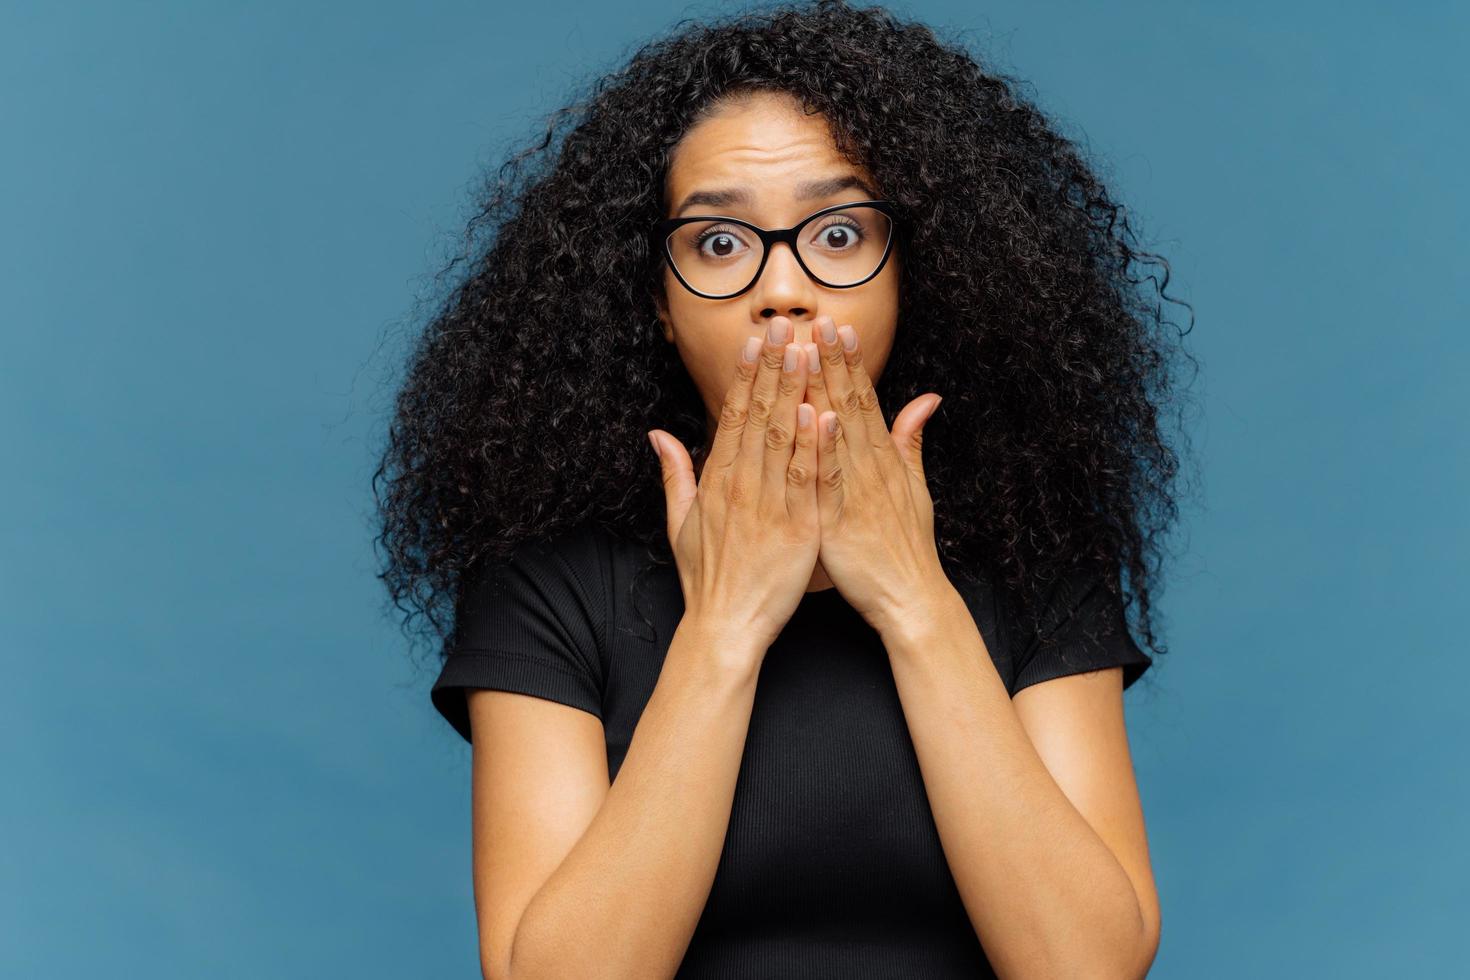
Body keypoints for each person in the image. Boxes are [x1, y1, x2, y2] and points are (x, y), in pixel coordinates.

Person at [375, 2, 1194, 977]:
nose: (784, 287)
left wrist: (913, 598)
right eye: (720, 243)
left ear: (911, 275)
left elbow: (1087, 964)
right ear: (660, 305)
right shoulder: (548, 579)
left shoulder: (1034, 552)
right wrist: (724, 624)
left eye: (839, 232)